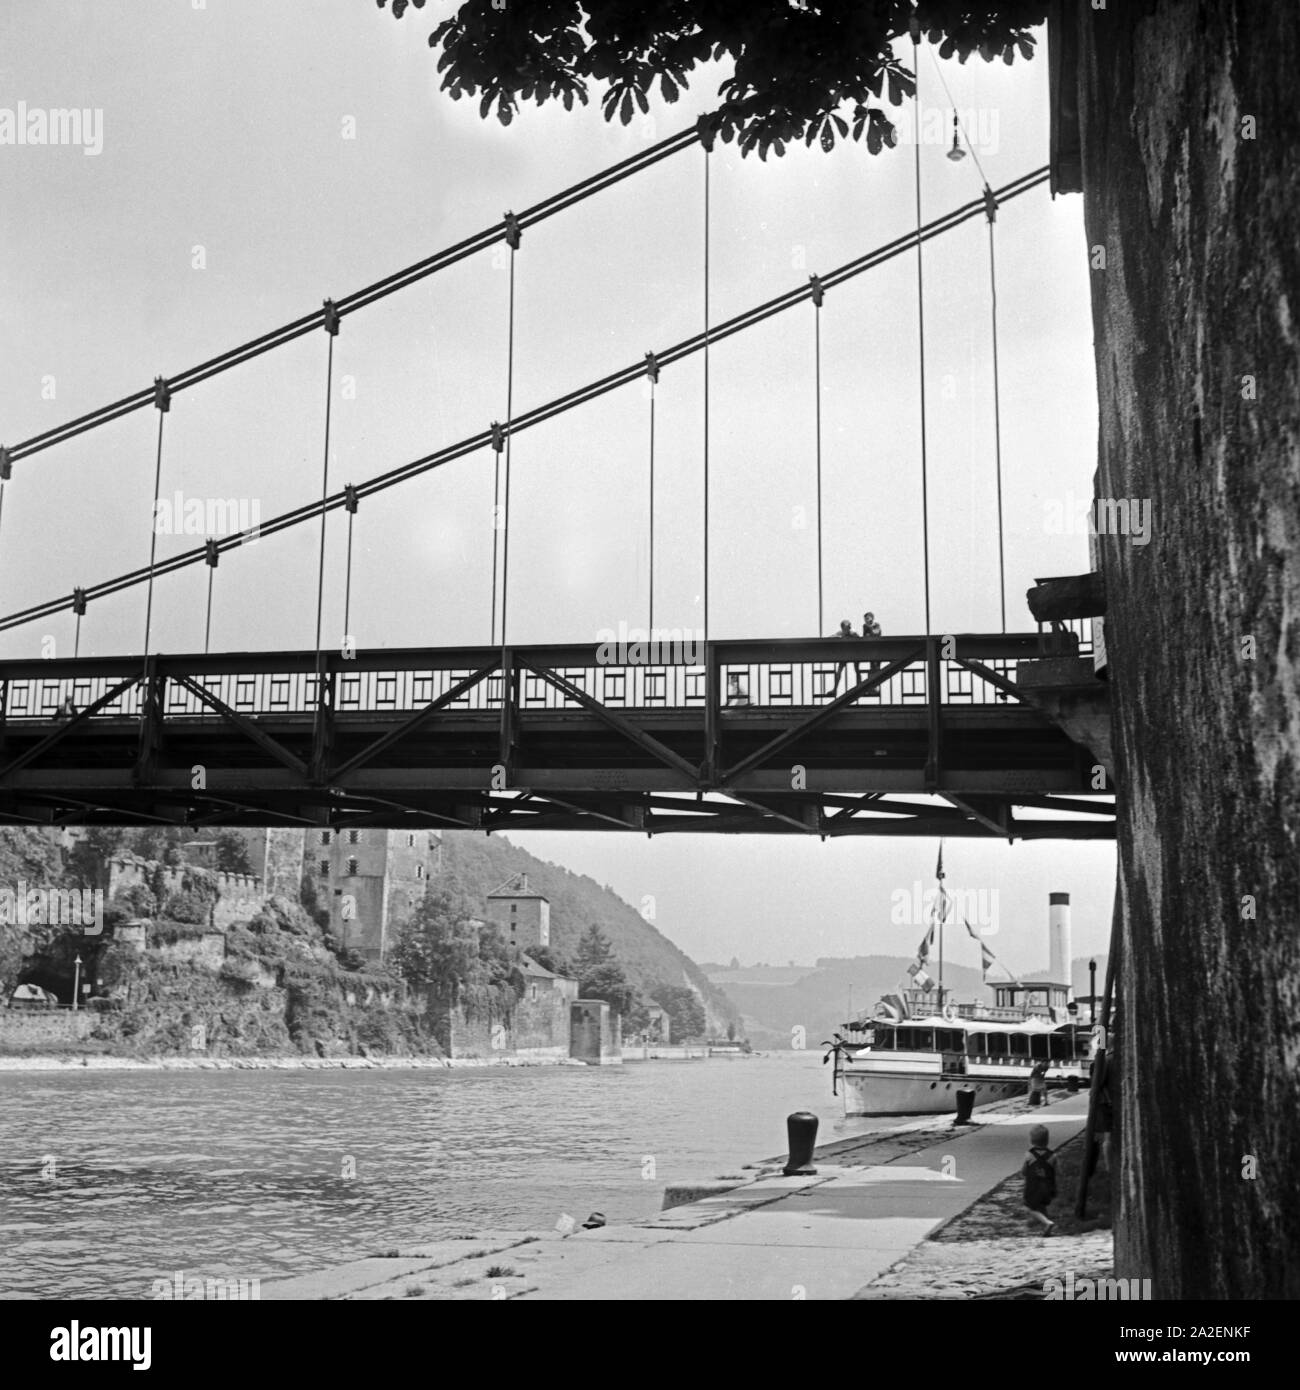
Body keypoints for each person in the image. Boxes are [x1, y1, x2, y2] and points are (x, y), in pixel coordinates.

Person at [1022, 1124, 1057, 1234]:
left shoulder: (1029, 1155)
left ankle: (1047, 1222)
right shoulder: (1053, 1156)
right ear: (1047, 1140)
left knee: (1030, 1208)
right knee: (1042, 1206)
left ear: (1031, 1140)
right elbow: (1056, 1171)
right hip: (1048, 1187)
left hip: (1033, 1188)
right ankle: (1047, 1228)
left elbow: (1024, 1171)